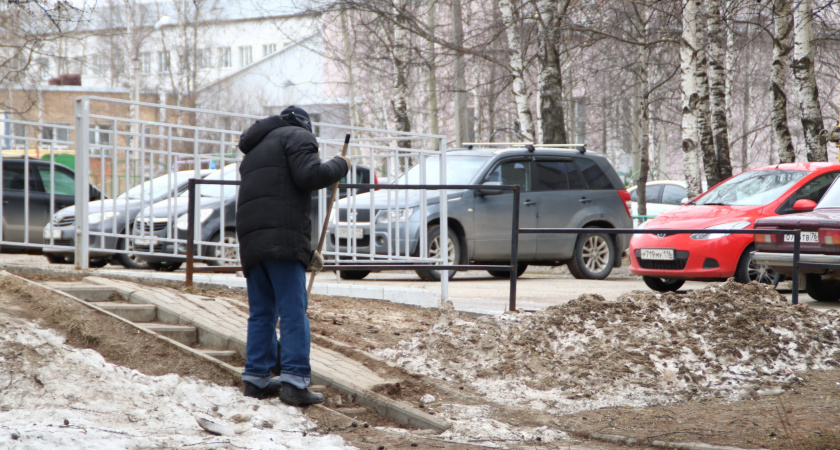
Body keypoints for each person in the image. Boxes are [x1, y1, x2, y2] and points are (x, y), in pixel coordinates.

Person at [235, 106, 349, 406]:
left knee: (262, 313)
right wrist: (341, 163)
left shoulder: (255, 149)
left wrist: (306, 251)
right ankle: (295, 380)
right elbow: (309, 175)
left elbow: (275, 196)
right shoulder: (299, 136)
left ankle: (256, 379)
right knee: (293, 311)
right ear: (305, 126)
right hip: (282, 241)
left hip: (252, 241)